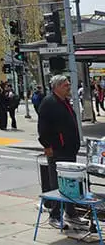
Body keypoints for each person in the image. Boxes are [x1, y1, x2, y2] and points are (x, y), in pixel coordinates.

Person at [37, 75, 81, 228]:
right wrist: (47, 146)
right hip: (58, 150)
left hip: (69, 150)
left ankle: (71, 212)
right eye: (65, 85)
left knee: (71, 183)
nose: (68, 87)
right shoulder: (49, 103)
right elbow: (43, 128)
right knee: (57, 184)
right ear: (56, 87)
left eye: (68, 84)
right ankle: (54, 215)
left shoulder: (64, 102)